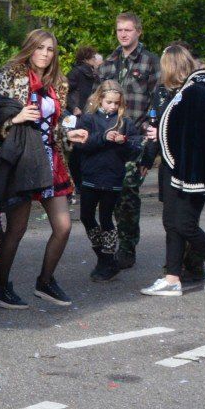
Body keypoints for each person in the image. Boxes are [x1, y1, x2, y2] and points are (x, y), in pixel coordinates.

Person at [0, 28, 77, 310]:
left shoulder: (58, 83)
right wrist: (15, 119)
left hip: (51, 161)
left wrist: (70, 135)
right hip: (21, 161)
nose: (45, 54)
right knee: (17, 228)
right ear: (30, 48)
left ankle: (45, 281)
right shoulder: (9, 76)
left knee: (64, 226)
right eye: (40, 48)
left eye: (50, 49)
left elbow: (56, 125)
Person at [140, 45, 205, 297]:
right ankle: (172, 278)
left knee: (185, 223)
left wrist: (163, 132)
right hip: (174, 166)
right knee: (171, 222)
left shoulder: (197, 91)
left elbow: (200, 132)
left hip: (191, 170)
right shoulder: (178, 92)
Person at [98, 13, 160, 272]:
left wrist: (151, 150)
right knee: (108, 193)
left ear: (138, 32)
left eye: (128, 30)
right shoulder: (107, 64)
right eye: (119, 30)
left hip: (136, 139)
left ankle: (127, 247)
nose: (123, 34)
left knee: (127, 192)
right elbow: (96, 101)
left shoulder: (151, 62)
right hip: (108, 138)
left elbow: (158, 103)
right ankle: (110, 244)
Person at [69, 80, 135, 281]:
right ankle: (104, 257)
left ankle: (107, 258)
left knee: (106, 218)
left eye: (116, 103)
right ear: (99, 100)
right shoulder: (88, 119)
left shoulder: (125, 122)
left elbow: (134, 149)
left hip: (113, 176)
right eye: (109, 102)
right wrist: (103, 137)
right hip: (91, 175)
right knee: (86, 216)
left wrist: (124, 142)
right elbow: (81, 144)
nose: (113, 106)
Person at [68, 45, 102, 114]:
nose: (95, 59)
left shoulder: (94, 73)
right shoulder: (76, 72)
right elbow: (65, 91)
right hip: (77, 112)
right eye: (93, 57)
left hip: (89, 111)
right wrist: (73, 108)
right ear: (86, 59)